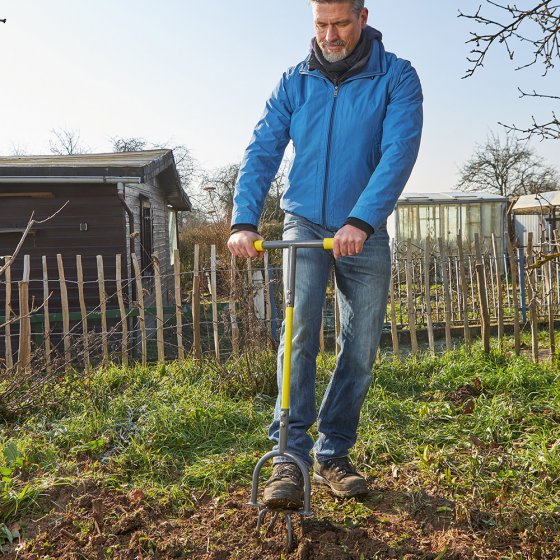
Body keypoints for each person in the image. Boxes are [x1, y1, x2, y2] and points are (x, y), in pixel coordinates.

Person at [228, 0, 423, 509]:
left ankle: (333, 451)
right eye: (320, 24)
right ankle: (289, 457)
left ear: (362, 17)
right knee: (298, 337)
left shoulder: (397, 77)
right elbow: (262, 149)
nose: (330, 35)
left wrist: (362, 219)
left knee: (359, 346)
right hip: (304, 224)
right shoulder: (294, 80)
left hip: (364, 227)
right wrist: (244, 220)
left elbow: (398, 151)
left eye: (339, 23)